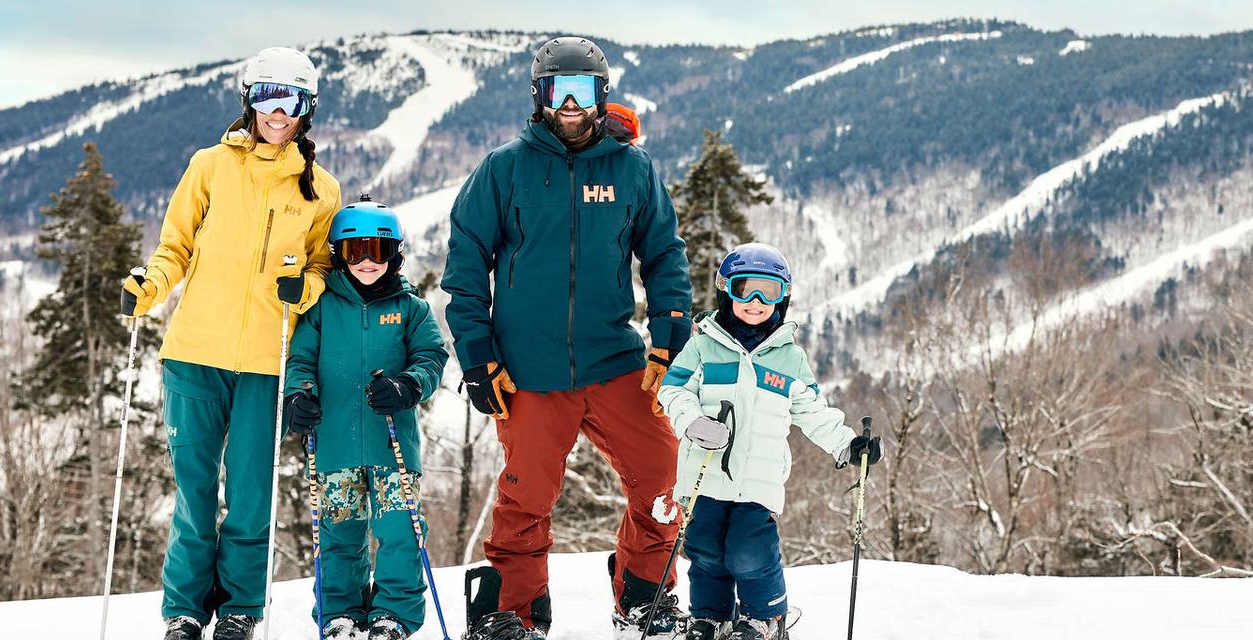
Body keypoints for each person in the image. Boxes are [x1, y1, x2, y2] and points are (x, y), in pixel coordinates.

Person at [441, 36, 694, 640]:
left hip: (614, 360)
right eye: (560, 91)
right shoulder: (506, 168)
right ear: (540, 96)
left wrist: (669, 331)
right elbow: (466, 265)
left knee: (662, 476)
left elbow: (663, 253)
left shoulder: (631, 167)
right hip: (528, 369)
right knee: (527, 495)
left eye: (584, 91)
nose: (572, 104)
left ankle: (645, 601)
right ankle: (514, 615)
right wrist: (477, 357)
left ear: (602, 96)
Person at [123, 46, 343, 640]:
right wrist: (149, 285)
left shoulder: (321, 188)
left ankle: (241, 609)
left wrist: (306, 287)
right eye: (267, 96)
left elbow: (327, 268)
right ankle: (185, 611)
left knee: (250, 495)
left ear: (308, 108)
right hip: (194, 354)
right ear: (248, 100)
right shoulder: (210, 166)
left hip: (266, 362)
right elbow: (175, 248)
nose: (279, 111)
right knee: (195, 493)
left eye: (291, 100)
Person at [656, 243, 883, 640]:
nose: (757, 302)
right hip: (704, 473)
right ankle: (710, 616)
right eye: (746, 290)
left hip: (758, 480)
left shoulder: (789, 358)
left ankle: (765, 617)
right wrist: (693, 422)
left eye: (770, 292)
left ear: (784, 298)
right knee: (706, 551)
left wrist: (848, 445)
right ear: (727, 291)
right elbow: (672, 392)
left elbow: (813, 412)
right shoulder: (702, 346)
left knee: (749, 552)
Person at [282, 197, 448, 640]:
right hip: (334, 440)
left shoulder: (409, 307)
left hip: (391, 443)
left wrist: (408, 385)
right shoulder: (321, 307)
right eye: (357, 252)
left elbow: (432, 355)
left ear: (395, 253)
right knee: (339, 533)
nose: (368, 262)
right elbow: (300, 360)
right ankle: (341, 612)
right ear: (339, 255)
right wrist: (298, 396)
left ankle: (393, 613)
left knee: (399, 529)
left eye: (379, 250)